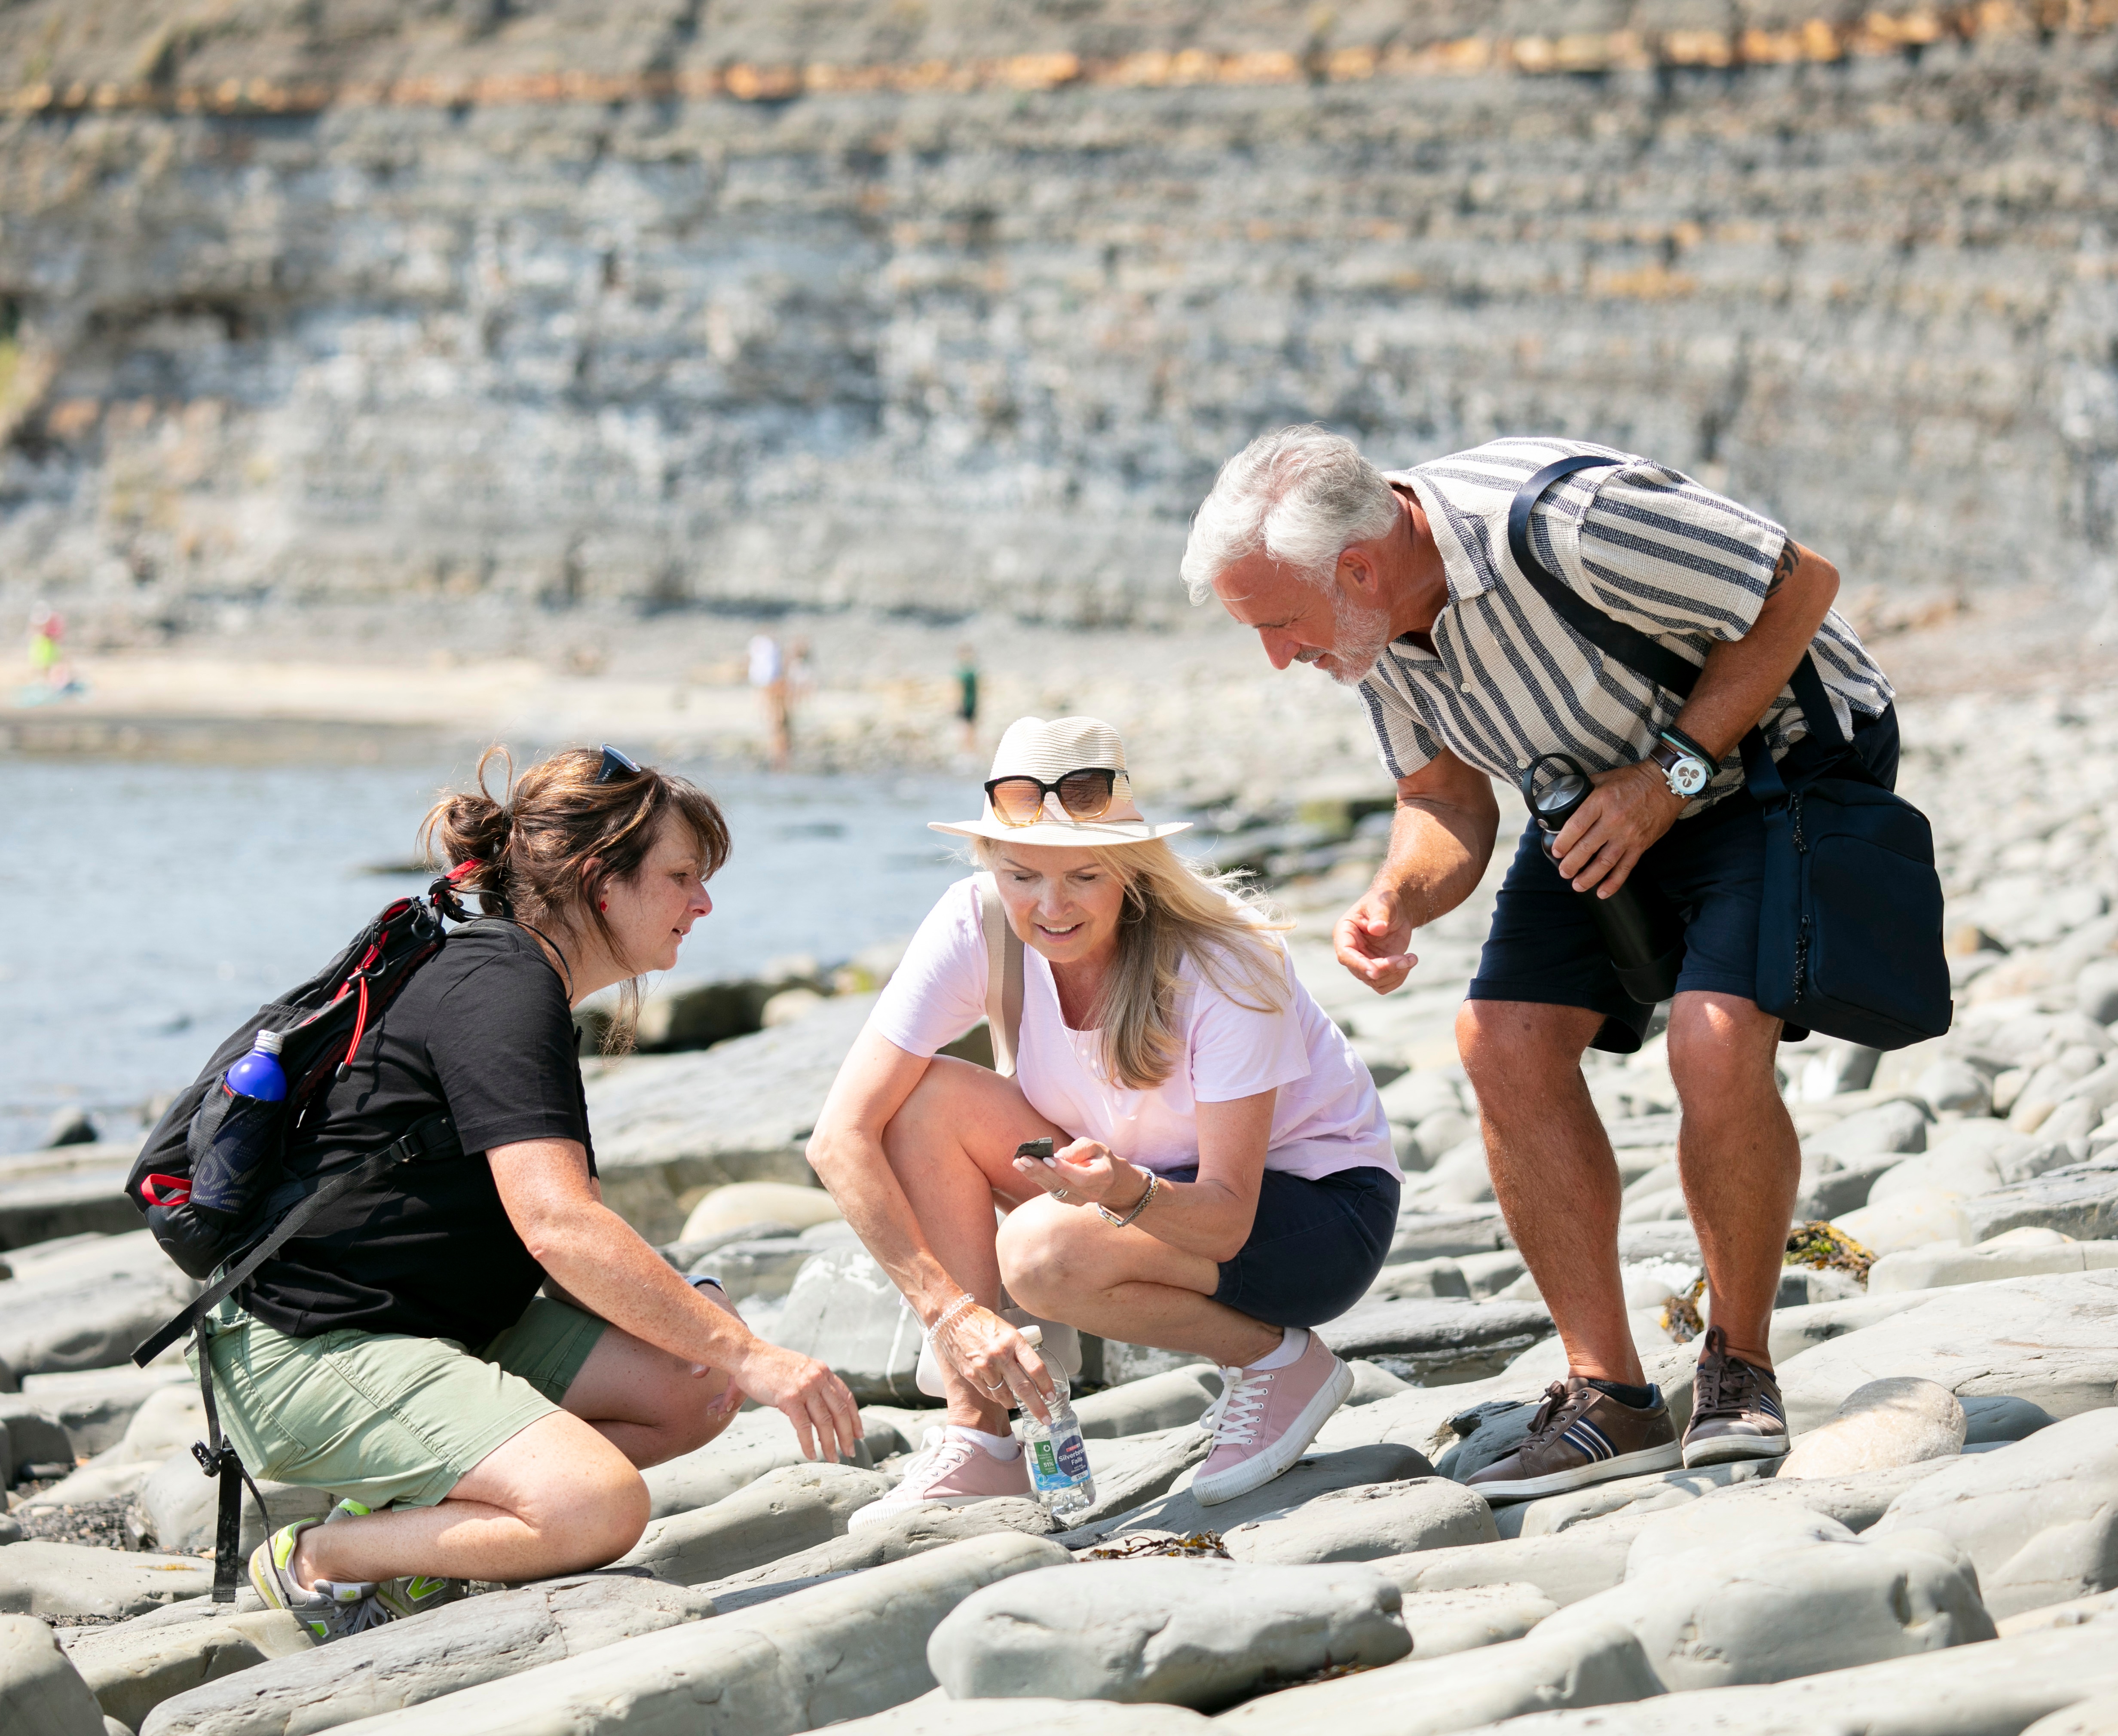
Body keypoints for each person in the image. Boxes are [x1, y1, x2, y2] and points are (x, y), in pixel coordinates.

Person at [1181, 427, 1900, 1498]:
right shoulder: (1372, 629)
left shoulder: (1569, 521)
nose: (1280, 657)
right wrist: (1398, 896)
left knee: (1713, 1036)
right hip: (1605, 788)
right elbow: (1444, 803)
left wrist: (1672, 777)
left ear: (1360, 566)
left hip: (1775, 762)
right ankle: (1609, 1397)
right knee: (1501, 1038)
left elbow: (1800, 589)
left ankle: (1739, 1366)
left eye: (1279, 624)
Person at [197, 743, 859, 1640]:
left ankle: (406, 1529)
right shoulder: (500, 983)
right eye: (680, 877)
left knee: (693, 1384)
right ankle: (320, 1558)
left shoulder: (517, 977)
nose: (703, 904)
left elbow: (535, 1221)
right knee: (594, 1506)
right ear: (600, 882)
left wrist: (704, 1338)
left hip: (434, 1321)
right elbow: (558, 1224)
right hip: (305, 1346)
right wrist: (755, 1356)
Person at [806, 715, 1400, 1522]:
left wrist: (1122, 1192)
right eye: (1021, 876)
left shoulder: (1222, 959)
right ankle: (980, 1440)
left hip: (1312, 1214)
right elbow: (837, 1138)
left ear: (1130, 867)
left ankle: (1275, 1363)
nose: (1048, 908)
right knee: (920, 1105)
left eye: (1082, 877)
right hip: (1133, 1177)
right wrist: (952, 1315)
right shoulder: (973, 923)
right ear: (990, 863)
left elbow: (1226, 1221)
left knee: (1041, 1253)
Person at [749, 632, 790, 770]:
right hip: (770, 683)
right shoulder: (768, 647)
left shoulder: (763, 646)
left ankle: (779, 762)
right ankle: (779, 762)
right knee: (779, 728)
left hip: (769, 683)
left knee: (778, 727)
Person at [954, 644, 980, 753]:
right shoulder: (972, 672)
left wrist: (957, 703)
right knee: (969, 726)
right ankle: (969, 748)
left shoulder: (964, 673)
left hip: (968, 702)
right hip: (971, 701)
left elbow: (959, 689)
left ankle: (967, 749)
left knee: (967, 726)